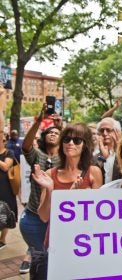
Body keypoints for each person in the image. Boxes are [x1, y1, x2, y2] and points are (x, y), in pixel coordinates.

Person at [32, 123, 103, 245]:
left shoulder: (94, 172)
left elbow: (99, 216)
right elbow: (44, 217)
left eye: (77, 140)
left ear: (84, 145)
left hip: (84, 240)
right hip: (57, 240)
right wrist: (50, 190)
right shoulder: (50, 174)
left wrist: (75, 198)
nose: (70, 143)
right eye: (66, 139)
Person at [19, 103, 62, 274]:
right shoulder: (38, 155)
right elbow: (26, 146)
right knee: (40, 260)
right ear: (44, 137)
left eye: (56, 133)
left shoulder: (65, 159)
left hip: (57, 218)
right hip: (35, 218)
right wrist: (39, 120)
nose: (52, 134)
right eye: (50, 132)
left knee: (54, 259)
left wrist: (61, 127)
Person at [0, 84, 16, 250]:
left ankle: (3, 239)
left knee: (5, 212)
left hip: (5, 188)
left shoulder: (9, 152)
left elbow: (6, 167)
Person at [95, 117, 122, 184]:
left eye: (108, 130)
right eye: (101, 130)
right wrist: (102, 158)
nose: (105, 133)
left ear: (117, 132)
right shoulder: (95, 157)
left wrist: (119, 151)